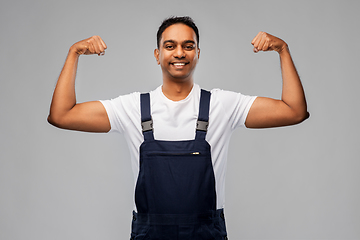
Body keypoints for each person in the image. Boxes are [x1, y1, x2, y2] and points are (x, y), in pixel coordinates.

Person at [48, 16, 308, 240]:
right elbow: (62, 115)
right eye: (170, 46)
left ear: (198, 53)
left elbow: (294, 111)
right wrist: (74, 53)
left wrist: (283, 50)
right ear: (157, 54)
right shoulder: (132, 108)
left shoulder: (223, 104)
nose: (180, 53)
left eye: (188, 45)